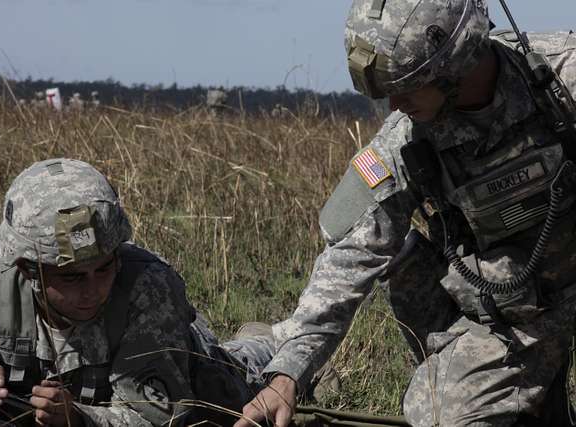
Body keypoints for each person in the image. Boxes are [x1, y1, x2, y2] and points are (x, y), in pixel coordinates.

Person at [235, 1, 576, 426]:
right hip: (514, 319)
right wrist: (288, 374)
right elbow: (349, 258)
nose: (395, 104)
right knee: (438, 417)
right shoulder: (404, 144)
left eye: (408, 87)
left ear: (456, 66)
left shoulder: (563, 78)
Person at [0, 158, 276, 426]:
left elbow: (159, 418)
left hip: (184, 360)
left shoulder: (147, 289)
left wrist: (82, 419)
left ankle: (270, 342)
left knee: (236, 387)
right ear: (28, 271)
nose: (93, 290)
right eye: (71, 278)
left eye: (103, 268)